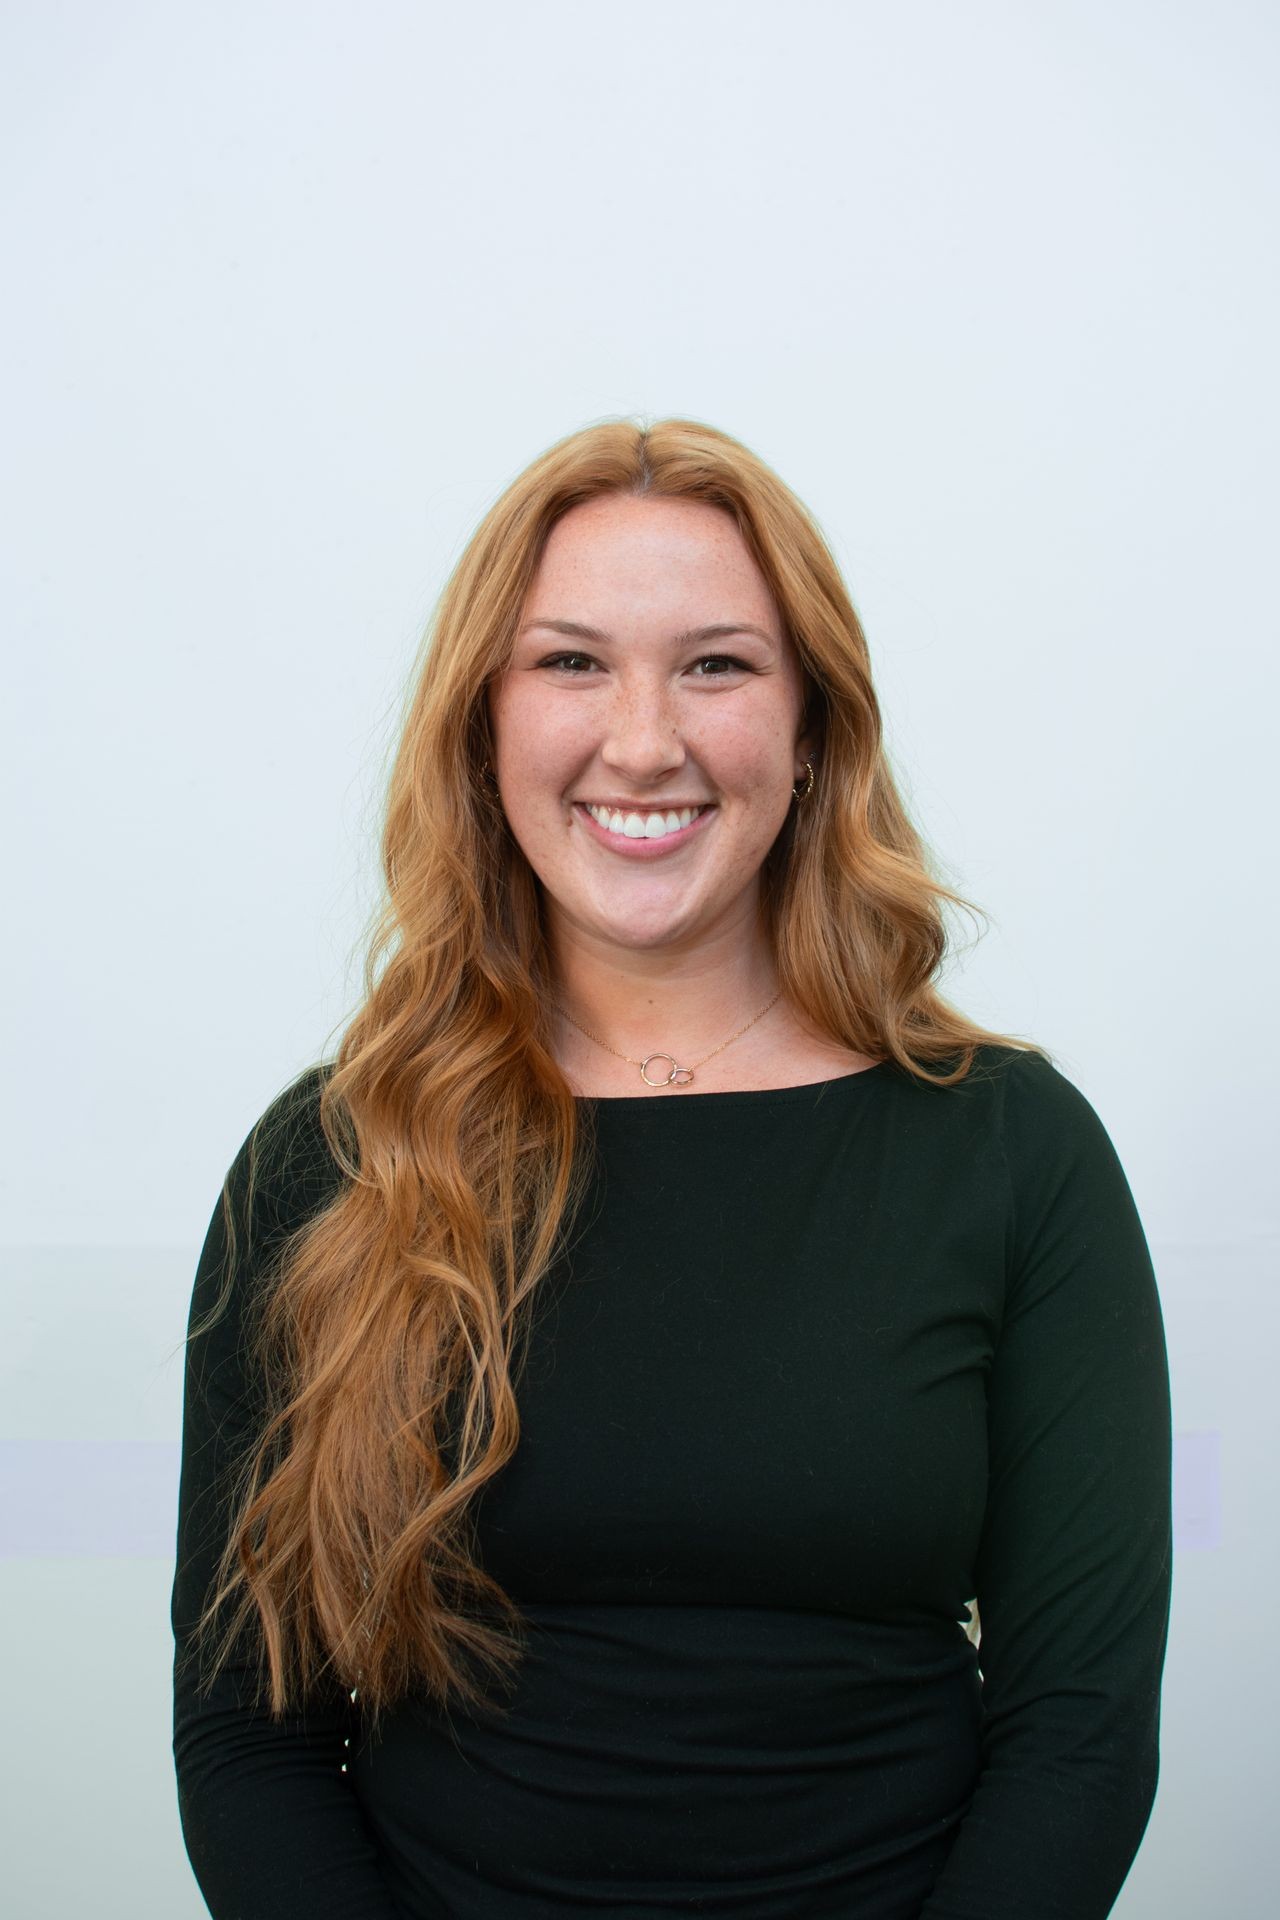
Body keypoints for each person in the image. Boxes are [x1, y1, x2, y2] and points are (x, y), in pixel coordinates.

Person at [171, 416, 1172, 1919]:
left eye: (717, 665)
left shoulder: (1016, 1153)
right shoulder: (324, 1166)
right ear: (483, 726)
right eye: (571, 662)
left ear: (814, 724)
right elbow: (249, 1744)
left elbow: (1079, 1733)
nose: (644, 739)